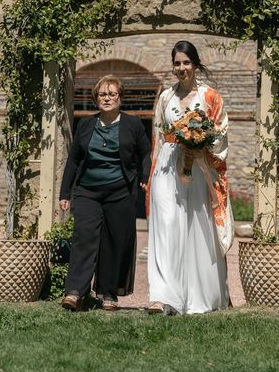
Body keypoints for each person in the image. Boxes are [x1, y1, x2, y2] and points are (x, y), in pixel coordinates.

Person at [146, 40, 234, 315]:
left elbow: (220, 133)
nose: (181, 68)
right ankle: (163, 297)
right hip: (167, 165)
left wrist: (201, 146)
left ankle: (197, 296)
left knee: (196, 228)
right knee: (166, 226)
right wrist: (153, 173)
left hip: (197, 167)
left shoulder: (210, 97)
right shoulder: (165, 98)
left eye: (186, 62)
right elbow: (158, 136)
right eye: (177, 63)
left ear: (195, 64)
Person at [59, 75, 151, 311]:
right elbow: (74, 159)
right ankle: (75, 292)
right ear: (95, 99)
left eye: (112, 94)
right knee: (83, 238)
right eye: (102, 94)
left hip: (119, 192)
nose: (107, 98)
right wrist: (65, 193)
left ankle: (109, 295)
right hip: (88, 191)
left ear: (120, 98)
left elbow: (144, 153)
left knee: (114, 241)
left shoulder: (133, 124)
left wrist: (143, 177)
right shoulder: (87, 125)